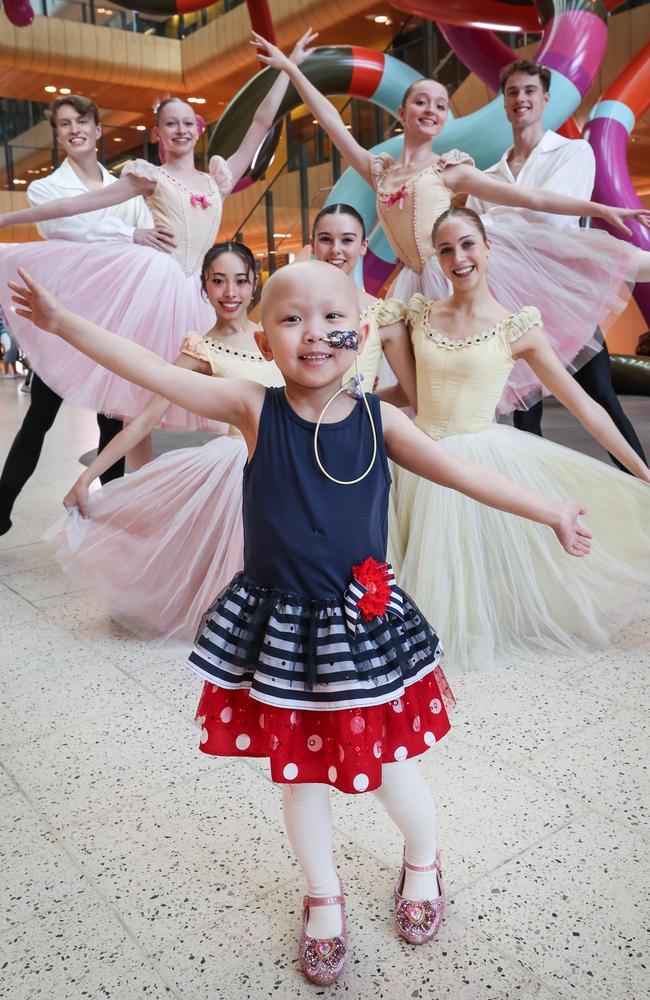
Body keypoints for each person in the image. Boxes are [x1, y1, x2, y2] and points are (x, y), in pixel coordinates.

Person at [10, 259, 591, 985]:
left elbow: (465, 474)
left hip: (360, 633)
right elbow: (156, 376)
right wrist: (63, 324)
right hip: (283, 638)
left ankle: (422, 858)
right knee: (301, 777)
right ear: (264, 338)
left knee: (386, 768)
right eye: (290, 319)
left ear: (366, 327)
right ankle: (322, 894)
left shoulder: (385, 421)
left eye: (329, 316)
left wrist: (552, 511)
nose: (312, 333)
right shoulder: (255, 410)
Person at [251, 32, 650, 413]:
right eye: (422, 102)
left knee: (465, 385)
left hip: (452, 281)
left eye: (440, 106)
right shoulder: (380, 172)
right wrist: (292, 68)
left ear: (443, 121)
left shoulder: (450, 171)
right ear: (403, 113)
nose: (432, 110)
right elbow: (334, 126)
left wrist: (599, 210)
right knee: (419, 386)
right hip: (413, 285)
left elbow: (531, 196)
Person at [0, 30, 317, 426]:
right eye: (171, 124)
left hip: (204, 291)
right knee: (141, 394)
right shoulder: (148, 177)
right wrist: (8, 219)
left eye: (187, 122)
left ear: (198, 129)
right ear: (159, 133)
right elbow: (74, 205)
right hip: (158, 285)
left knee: (218, 390)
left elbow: (261, 121)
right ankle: (135, 478)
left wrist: (288, 66)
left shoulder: (218, 177)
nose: (181, 130)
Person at [389, 207, 650, 673]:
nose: (458, 257)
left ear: (488, 247)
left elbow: (585, 407)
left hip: (479, 452)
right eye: (446, 249)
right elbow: (408, 389)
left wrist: (641, 470)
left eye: (468, 244)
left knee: (464, 564)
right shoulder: (420, 315)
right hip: (417, 451)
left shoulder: (518, 327)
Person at [46, 242, 283, 645]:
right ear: (204, 287)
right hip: (237, 465)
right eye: (218, 281)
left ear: (254, 284)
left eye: (240, 281)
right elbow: (146, 420)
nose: (230, 292)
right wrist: (88, 476)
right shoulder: (199, 350)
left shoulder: (274, 336)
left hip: (286, 459)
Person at [465, 58, 647, 472]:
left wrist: (494, 222)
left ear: (545, 99)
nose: (520, 99)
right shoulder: (488, 175)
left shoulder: (573, 152)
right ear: (503, 102)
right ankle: (539, 506)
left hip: (562, 302)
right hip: (508, 306)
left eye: (529, 91)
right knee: (524, 414)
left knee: (600, 395)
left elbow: (550, 221)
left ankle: (642, 484)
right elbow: (477, 241)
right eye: (512, 92)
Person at [0, 94, 156, 535]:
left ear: (97, 129)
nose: (74, 129)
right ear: (59, 135)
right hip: (63, 326)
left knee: (111, 420)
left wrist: (136, 234)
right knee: (40, 417)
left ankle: (112, 519)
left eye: (82, 121)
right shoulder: (45, 189)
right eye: (65, 124)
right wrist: (130, 233)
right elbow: (69, 228)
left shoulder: (129, 190)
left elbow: (146, 237)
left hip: (113, 323)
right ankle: (0, 509)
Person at [310, 202, 416, 402]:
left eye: (347, 240)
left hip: (356, 431)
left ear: (363, 245)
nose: (336, 250)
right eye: (325, 239)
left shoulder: (383, 317)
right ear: (313, 243)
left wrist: (360, 402)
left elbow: (408, 394)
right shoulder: (293, 309)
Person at [0, 306, 18, 377]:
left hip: (10, 331)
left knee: (13, 351)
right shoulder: (2, 310)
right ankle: (6, 372)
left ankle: (14, 371)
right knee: (9, 351)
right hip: (5, 331)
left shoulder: (7, 309)